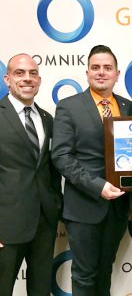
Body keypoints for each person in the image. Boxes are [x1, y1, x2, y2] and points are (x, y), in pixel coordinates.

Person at [51, 45, 132, 296]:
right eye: (95, 68)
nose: (101, 73)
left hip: (118, 208)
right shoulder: (69, 106)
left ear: (117, 74)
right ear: (87, 72)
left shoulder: (128, 107)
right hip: (84, 207)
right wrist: (98, 186)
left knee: (105, 271)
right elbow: (61, 157)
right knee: (85, 276)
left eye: (107, 68)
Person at [0, 53, 62, 296]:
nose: (27, 78)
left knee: (40, 290)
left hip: (44, 224)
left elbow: (51, 169)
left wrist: (55, 204)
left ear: (39, 79)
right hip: (6, 227)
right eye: (20, 73)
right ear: (7, 79)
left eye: (33, 73)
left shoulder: (47, 118)